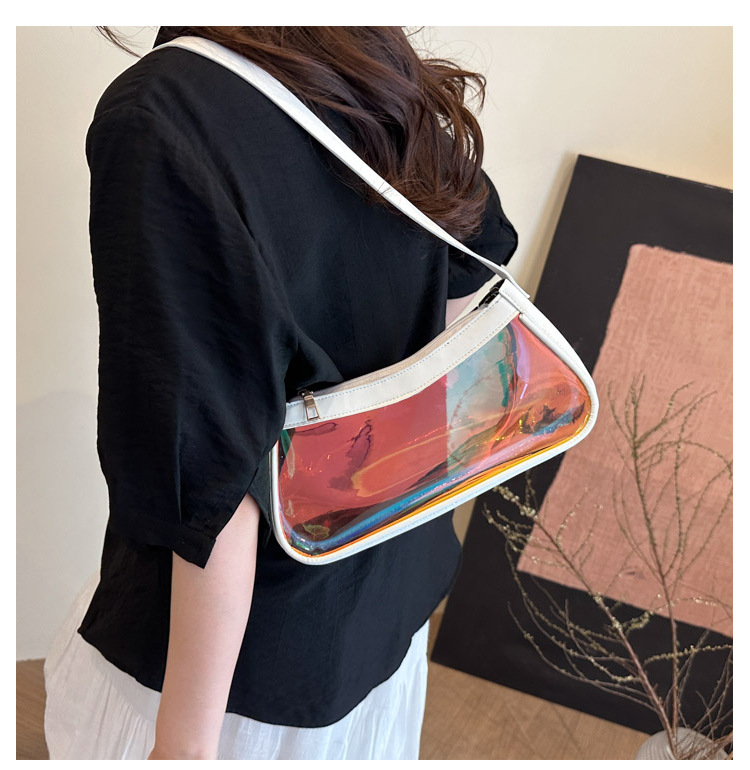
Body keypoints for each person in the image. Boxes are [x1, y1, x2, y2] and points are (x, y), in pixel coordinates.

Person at [43, 26, 518, 760]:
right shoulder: (362, 51)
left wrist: (184, 746)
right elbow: (465, 294)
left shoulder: (165, 113)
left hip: (230, 681)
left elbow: (211, 482)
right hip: (380, 625)